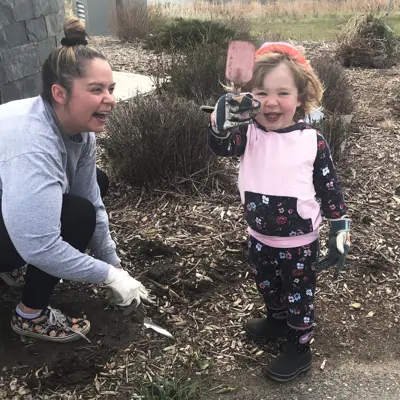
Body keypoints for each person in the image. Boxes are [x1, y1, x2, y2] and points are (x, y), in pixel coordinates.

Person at [0, 17, 151, 343]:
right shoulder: (33, 143)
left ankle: (10, 262)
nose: (109, 98)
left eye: (110, 88)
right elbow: (41, 247)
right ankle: (29, 314)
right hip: (17, 206)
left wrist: (114, 265)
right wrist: (106, 276)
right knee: (74, 218)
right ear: (59, 93)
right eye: (96, 90)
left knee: (95, 184)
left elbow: (92, 198)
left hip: (10, 198)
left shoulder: (79, 130)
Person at [206, 42, 351, 382]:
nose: (271, 102)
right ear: (249, 96)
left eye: (282, 93)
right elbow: (220, 147)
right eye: (261, 93)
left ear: (300, 97)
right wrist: (219, 122)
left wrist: (340, 227)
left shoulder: (311, 141)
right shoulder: (247, 134)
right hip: (258, 235)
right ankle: (275, 317)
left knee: (300, 294)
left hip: (299, 241)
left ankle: (299, 347)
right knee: (267, 282)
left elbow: (329, 188)